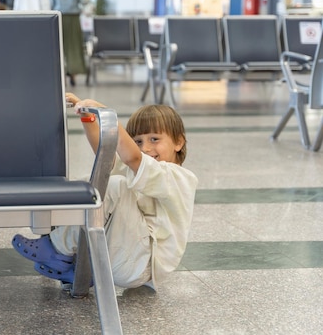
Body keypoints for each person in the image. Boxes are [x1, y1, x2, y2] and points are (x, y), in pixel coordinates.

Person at [12, 94, 198, 290]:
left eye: (154, 139)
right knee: (92, 183)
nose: (146, 148)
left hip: (140, 266)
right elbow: (107, 158)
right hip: (127, 256)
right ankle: (76, 265)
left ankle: (57, 249)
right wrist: (87, 116)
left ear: (179, 142)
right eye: (138, 142)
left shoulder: (179, 178)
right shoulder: (140, 170)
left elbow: (132, 158)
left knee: (115, 187)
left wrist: (106, 114)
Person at [49, 0, 88, 86]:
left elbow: (51, 2)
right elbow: (83, 1)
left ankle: (61, 78)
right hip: (73, 17)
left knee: (58, 47)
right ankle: (73, 75)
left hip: (57, 17)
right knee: (74, 48)